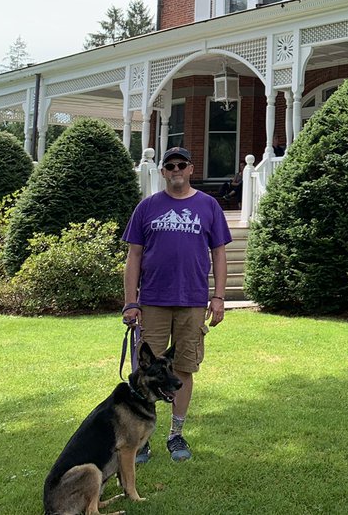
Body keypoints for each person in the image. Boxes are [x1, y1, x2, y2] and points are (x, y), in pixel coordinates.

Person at [121, 146, 232, 464]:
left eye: (181, 164)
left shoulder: (208, 206)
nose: (176, 170)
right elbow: (134, 257)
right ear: (163, 172)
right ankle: (141, 439)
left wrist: (219, 297)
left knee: (183, 368)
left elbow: (219, 254)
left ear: (191, 168)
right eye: (170, 166)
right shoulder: (147, 208)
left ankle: (176, 434)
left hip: (192, 302)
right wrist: (131, 302)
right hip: (152, 302)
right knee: (145, 371)